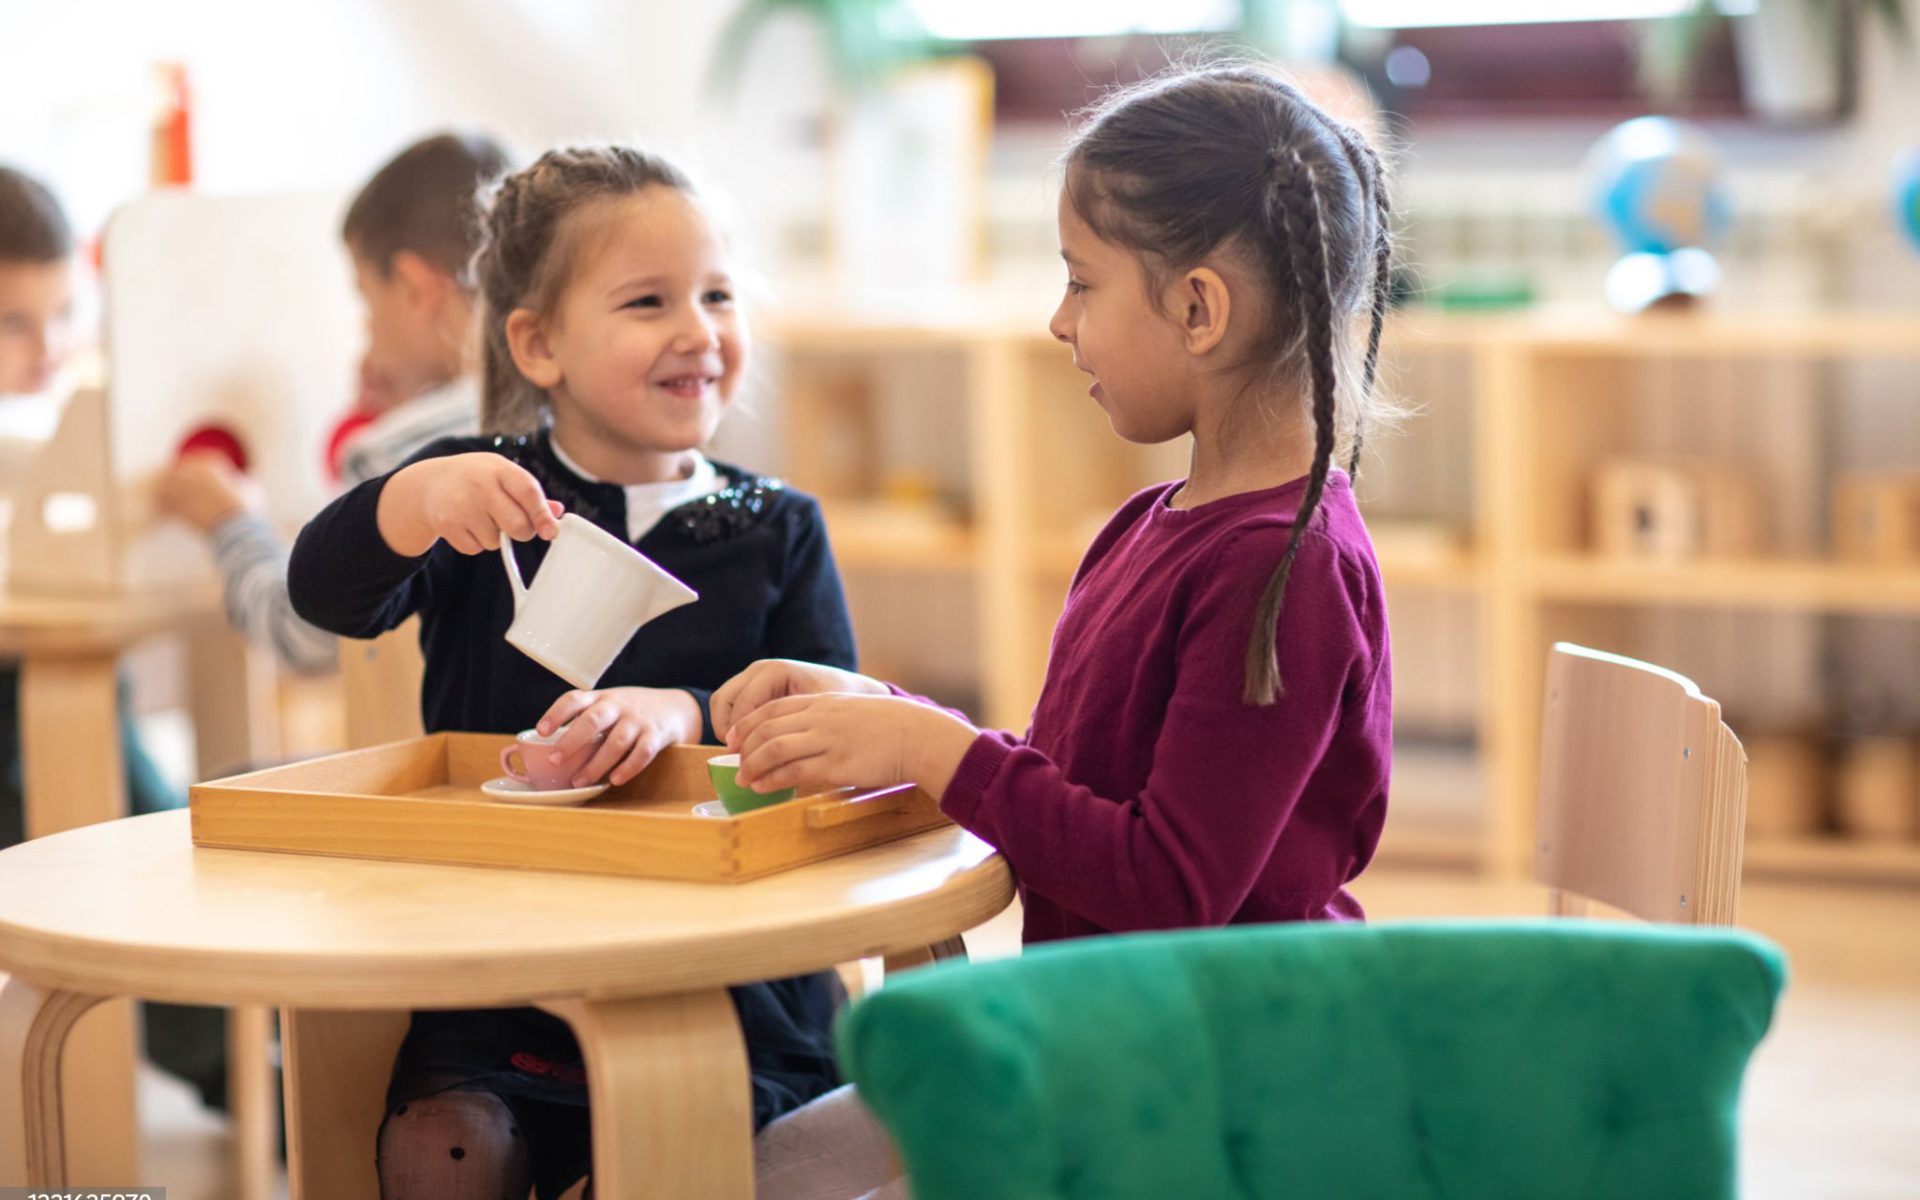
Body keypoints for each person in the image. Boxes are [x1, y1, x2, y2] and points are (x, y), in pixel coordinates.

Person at [717, 64, 1398, 1199]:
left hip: (1217, 1080)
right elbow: (1087, 774)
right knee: (750, 1168)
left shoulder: (1284, 572)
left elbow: (1166, 881)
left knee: (768, 1177)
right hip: (1118, 1036)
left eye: (1082, 283)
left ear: (1197, 307)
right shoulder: (1157, 523)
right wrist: (891, 722)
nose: (1057, 318)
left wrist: (937, 757)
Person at [289, 144, 856, 1200]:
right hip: (506, 971)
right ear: (537, 343)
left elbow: (829, 718)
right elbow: (324, 594)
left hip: (727, 979)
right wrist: (411, 501)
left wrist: (682, 710)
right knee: (445, 1145)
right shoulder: (485, 498)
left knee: (709, 1153)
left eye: (719, 294)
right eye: (648, 301)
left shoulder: (778, 528)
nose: (699, 329)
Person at [157, 131, 511, 675]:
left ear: (417, 287)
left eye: (367, 302)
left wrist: (232, 522)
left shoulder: (394, 453)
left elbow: (302, 635)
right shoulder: (567, 413)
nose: (367, 332)